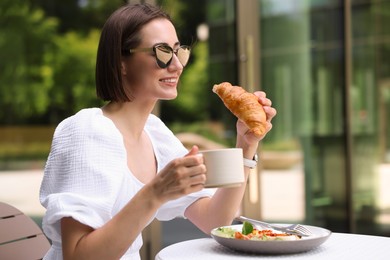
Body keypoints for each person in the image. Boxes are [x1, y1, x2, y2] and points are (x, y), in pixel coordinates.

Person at [39, 3, 277, 260]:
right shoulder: (85, 131)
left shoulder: (154, 133)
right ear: (121, 63)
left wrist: (246, 144)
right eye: (162, 52)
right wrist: (155, 193)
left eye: (179, 51)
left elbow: (215, 221)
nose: (177, 65)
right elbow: (78, 256)